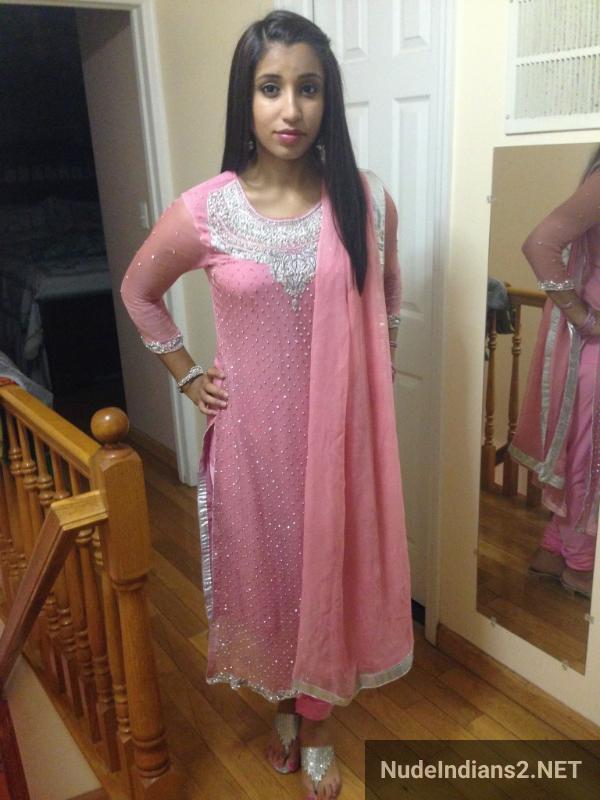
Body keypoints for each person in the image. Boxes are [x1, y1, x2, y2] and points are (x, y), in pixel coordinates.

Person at [121, 11, 413, 799]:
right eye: (271, 87)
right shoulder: (207, 209)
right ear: (245, 100)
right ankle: (287, 702)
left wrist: (371, 392)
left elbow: (387, 297)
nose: (291, 109)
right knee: (279, 583)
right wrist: (187, 375)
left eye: (308, 88)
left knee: (332, 577)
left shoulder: (364, 201)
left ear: (328, 98)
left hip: (340, 441)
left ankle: (316, 727)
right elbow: (140, 292)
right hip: (254, 442)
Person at [509, 146, 600, 600]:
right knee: (588, 459)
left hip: (588, 351)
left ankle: (553, 550)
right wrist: (585, 320)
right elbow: (540, 243)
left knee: (581, 453)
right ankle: (581, 566)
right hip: (593, 348)